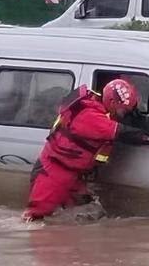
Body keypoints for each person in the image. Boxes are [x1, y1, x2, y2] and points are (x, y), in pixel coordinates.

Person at [24, 78, 138, 222]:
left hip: (72, 176)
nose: (123, 115)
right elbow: (123, 132)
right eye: (123, 111)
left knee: (90, 214)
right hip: (51, 174)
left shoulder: (96, 109)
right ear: (112, 103)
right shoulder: (89, 117)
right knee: (35, 220)